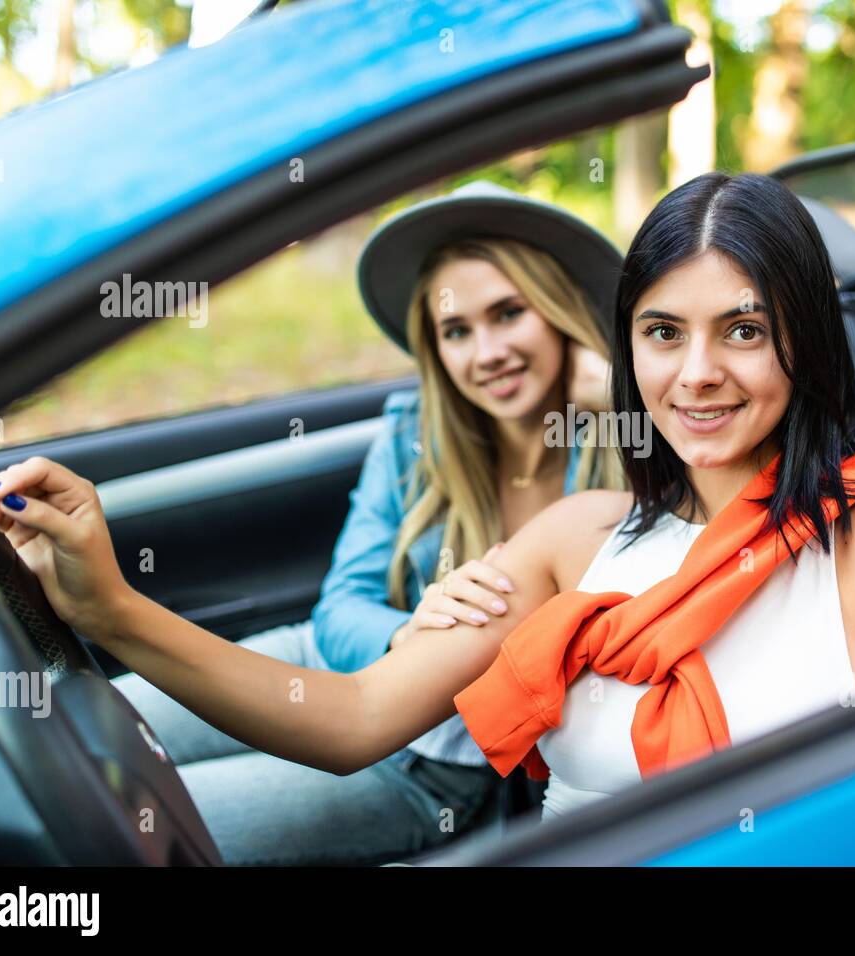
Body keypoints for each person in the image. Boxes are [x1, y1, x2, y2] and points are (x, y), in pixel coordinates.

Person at [0, 172, 855, 830]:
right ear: (627, 346)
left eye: (742, 330)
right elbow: (350, 717)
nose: (697, 374)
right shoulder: (578, 538)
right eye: (663, 332)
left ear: (802, 341)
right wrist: (117, 609)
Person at [89, 180, 625, 863]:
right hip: (315, 658)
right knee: (85, 738)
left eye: (509, 314)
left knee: (124, 829)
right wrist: (412, 632)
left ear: (560, 314)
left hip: (426, 759)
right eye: (456, 330)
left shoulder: (622, 458)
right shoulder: (413, 435)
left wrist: (614, 393)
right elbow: (341, 603)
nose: (485, 352)